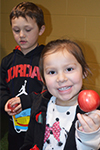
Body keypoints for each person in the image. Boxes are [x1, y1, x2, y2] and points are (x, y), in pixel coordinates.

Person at [20, 39, 100, 150]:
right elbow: (29, 140)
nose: (61, 79)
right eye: (52, 72)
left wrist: (92, 137)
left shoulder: (93, 113)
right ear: (43, 78)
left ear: (84, 72)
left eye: (69, 69)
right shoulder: (39, 104)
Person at [0, 2, 45, 150]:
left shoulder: (47, 59)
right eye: (16, 30)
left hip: (39, 124)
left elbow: (51, 91)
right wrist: (5, 102)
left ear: (41, 29)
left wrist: (26, 101)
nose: (21, 35)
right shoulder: (7, 61)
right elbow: (1, 88)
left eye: (27, 29)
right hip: (15, 125)